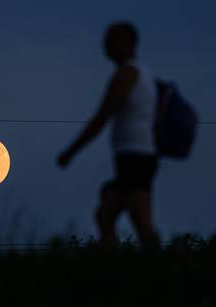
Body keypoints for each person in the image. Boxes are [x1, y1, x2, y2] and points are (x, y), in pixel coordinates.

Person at [57, 22, 160, 249]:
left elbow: (102, 116)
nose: (106, 45)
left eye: (113, 39)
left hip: (137, 157)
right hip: (131, 157)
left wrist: (71, 152)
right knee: (105, 215)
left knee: (140, 221)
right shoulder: (141, 74)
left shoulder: (128, 74)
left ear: (129, 43)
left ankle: (164, 273)